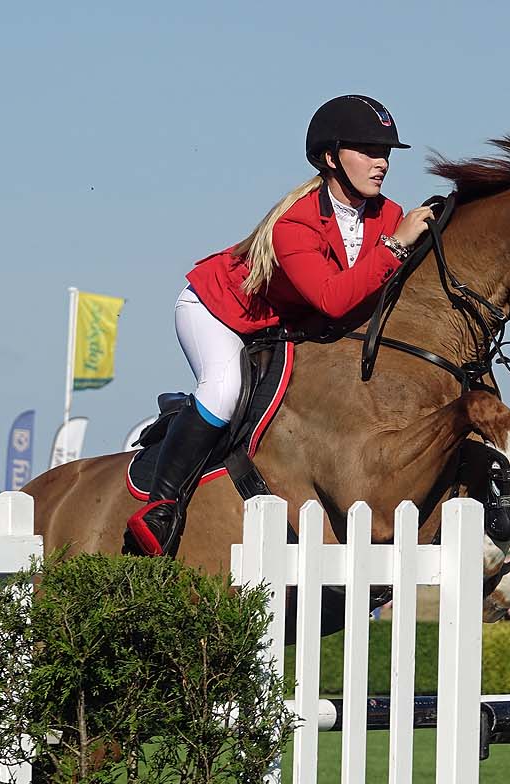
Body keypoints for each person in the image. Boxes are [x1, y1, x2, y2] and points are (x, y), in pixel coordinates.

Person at [126, 95, 432, 557]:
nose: (382, 162)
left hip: (283, 324)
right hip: (218, 310)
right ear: (331, 158)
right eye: (369, 151)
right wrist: (397, 247)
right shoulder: (296, 222)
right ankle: (161, 506)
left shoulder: (388, 216)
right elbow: (333, 300)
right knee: (224, 389)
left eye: (385, 153)